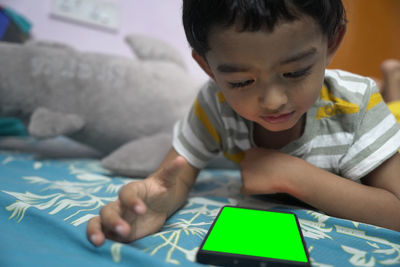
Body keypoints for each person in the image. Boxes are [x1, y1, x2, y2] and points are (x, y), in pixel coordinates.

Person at [87, 0, 400, 246]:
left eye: (295, 72)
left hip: (372, 110)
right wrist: (156, 205)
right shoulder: (214, 104)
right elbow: (174, 180)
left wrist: (295, 177)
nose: (274, 101)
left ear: (333, 42)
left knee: (394, 109)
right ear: (208, 67)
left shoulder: (356, 103)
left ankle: (391, 82)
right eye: (241, 81)